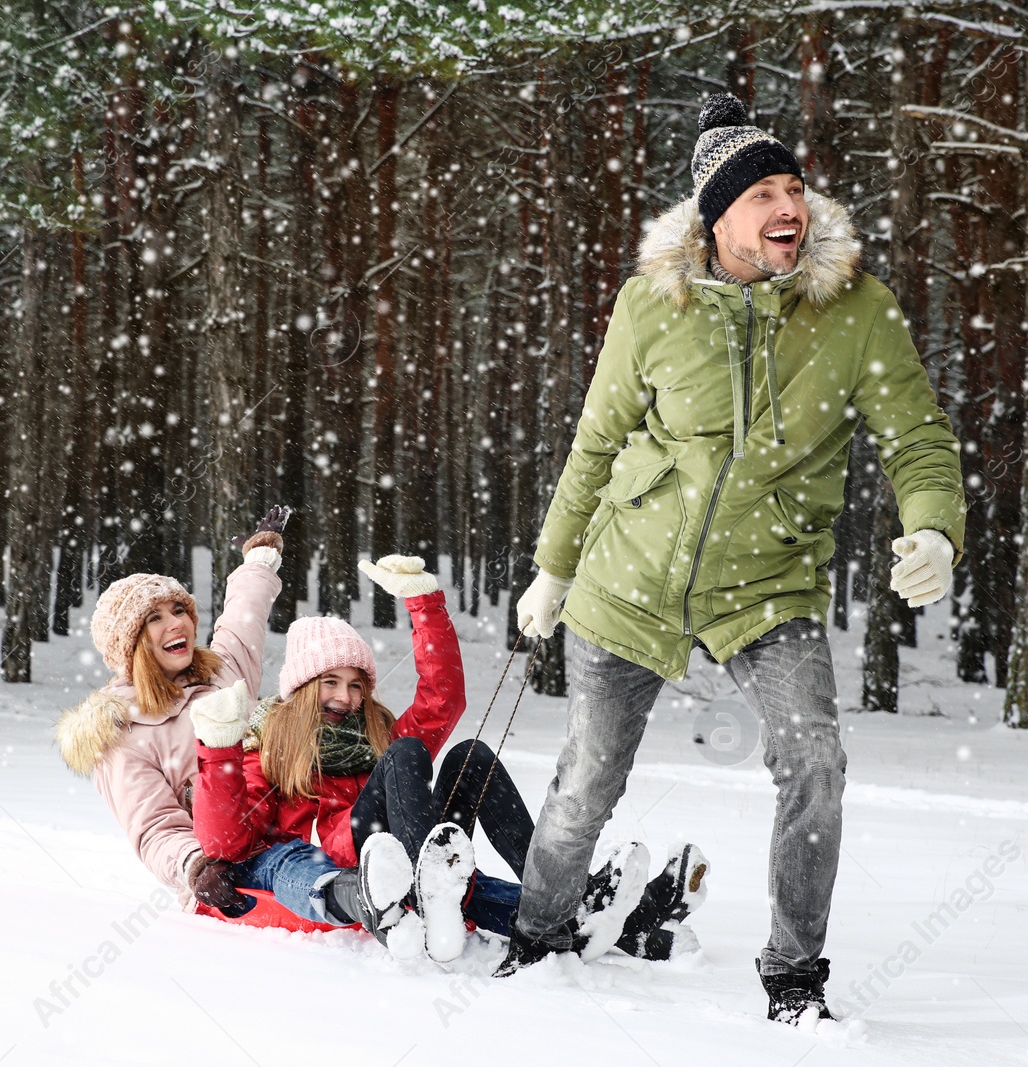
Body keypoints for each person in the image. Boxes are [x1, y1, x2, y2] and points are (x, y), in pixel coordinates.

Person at [498, 93, 966, 1024]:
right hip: (629, 575)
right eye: (764, 193)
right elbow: (597, 441)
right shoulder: (652, 304)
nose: (789, 206)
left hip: (768, 581)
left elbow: (918, 435)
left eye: (796, 188)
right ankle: (539, 937)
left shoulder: (855, 310)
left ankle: (794, 976)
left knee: (815, 763)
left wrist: (935, 526)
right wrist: (554, 566)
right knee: (589, 774)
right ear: (718, 217)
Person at [190, 554, 710, 964]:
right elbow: (226, 840)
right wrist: (219, 745)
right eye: (330, 682)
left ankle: (583, 899)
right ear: (302, 688)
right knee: (410, 756)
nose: (345, 698)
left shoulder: (376, 734)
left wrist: (425, 604)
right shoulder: (273, 745)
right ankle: (432, 885)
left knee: (468, 757)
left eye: (355, 686)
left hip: (421, 853)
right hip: (355, 858)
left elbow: (444, 699)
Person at [55, 508, 411, 939]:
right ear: (132, 645)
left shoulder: (219, 676)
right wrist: (194, 865)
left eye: (179, 609)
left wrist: (259, 560)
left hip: (288, 833)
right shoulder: (120, 735)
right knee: (292, 872)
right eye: (156, 618)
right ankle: (353, 897)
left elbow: (244, 618)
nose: (177, 623)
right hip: (225, 869)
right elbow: (153, 827)